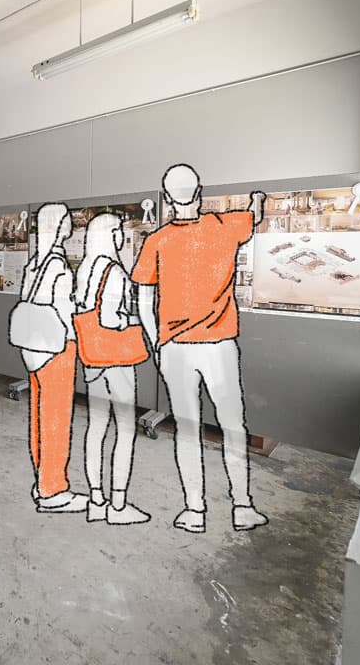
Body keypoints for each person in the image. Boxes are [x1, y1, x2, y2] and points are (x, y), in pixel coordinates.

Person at [131, 164, 269, 533]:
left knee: (187, 427)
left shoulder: (156, 241)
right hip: (219, 345)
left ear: (165, 196)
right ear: (200, 191)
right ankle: (242, 505)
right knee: (233, 426)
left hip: (174, 347)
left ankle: (194, 510)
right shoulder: (224, 226)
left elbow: (144, 299)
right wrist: (256, 200)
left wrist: (157, 341)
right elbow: (254, 216)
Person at [73, 213, 151, 525]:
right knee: (126, 429)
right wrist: (131, 321)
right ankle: (118, 505)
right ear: (112, 235)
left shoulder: (86, 268)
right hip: (117, 360)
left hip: (93, 359)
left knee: (96, 427)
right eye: (119, 231)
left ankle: (95, 499)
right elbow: (109, 319)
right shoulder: (115, 271)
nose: (122, 236)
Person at [16, 203, 87, 513]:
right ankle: (53, 490)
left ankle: (40, 478)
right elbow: (65, 314)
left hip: (32, 350)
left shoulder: (34, 264)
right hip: (57, 350)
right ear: (60, 227)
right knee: (57, 419)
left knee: (39, 416)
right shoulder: (59, 266)